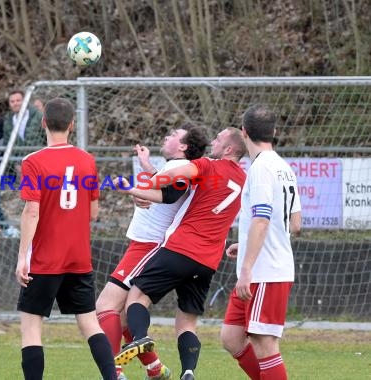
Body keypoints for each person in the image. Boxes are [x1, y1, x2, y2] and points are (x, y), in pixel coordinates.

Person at [113, 127, 247, 380]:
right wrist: (146, 170)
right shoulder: (243, 180)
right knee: (187, 323)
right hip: (209, 262)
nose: (213, 142)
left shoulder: (208, 165)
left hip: (180, 249)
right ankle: (188, 371)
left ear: (229, 149)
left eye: (218, 139)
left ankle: (140, 339)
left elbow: (174, 174)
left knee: (136, 297)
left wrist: (136, 186)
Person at [96, 123, 209, 380]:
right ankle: (155, 368)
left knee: (104, 307)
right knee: (124, 316)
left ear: (183, 146)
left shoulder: (181, 170)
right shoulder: (176, 168)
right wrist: (147, 167)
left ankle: (113, 373)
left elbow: (170, 194)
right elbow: (169, 187)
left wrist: (133, 189)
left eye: (173, 135)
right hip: (143, 244)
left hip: (149, 246)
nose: (167, 135)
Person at [15, 97, 116, 380]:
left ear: (44, 123)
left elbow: (31, 210)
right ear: (72, 125)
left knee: (32, 326)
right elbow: (93, 213)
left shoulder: (33, 162)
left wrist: (23, 257)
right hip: (78, 257)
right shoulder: (87, 160)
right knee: (89, 323)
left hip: (46, 258)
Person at [220, 105, 301, 380]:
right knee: (232, 337)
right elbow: (295, 223)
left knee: (264, 344)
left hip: (265, 272)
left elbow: (263, 219)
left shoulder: (261, 168)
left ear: (244, 133)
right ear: (274, 132)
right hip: (262, 266)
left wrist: (247, 267)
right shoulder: (283, 167)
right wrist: (247, 245)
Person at [3, 89, 45, 173]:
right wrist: (15, 164)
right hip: (20, 167)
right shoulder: (8, 122)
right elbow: (7, 145)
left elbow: (49, 137)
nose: (15, 103)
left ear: (25, 101)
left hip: (40, 164)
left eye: (18, 100)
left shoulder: (38, 116)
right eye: (12, 101)